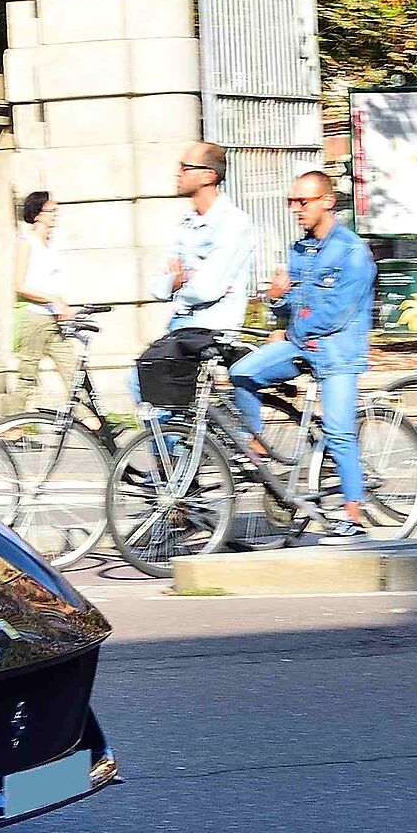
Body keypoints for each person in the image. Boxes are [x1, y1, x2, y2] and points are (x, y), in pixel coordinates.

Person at [231, 169, 378, 542]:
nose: (296, 208)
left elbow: (337, 313)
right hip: (302, 346)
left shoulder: (352, 252)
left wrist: (291, 329)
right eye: (291, 202)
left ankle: (353, 516)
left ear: (327, 201)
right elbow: (289, 309)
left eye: (303, 201)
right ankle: (258, 446)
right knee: (241, 373)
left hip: (338, 354)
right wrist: (277, 297)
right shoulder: (300, 250)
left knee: (340, 433)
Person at [134, 142, 257, 413]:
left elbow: (208, 288)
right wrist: (179, 279)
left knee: (147, 384)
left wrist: (178, 281)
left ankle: (180, 453)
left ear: (208, 176)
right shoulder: (186, 223)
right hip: (181, 326)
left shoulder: (233, 223)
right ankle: (182, 453)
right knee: (142, 382)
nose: (177, 173)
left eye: (185, 167)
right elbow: (157, 285)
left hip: (211, 327)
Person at [13, 190, 75, 407]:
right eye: (52, 210)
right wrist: (51, 299)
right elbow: (19, 285)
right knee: (27, 377)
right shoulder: (26, 243)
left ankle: (94, 426)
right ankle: (10, 431)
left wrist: (62, 303)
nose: (55, 215)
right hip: (33, 319)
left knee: (74, 372)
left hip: (52, 319)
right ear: (38, 214)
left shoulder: (51, 245)